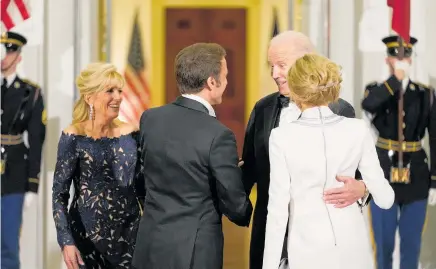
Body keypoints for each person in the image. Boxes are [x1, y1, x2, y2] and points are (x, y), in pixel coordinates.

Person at [241, 30, 370, 269]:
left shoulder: (342, 111)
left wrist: (362, 189)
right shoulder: (263, 109)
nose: (274, 74)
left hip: (323, 243)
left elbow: (363, 178)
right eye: (271, 66)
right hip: (270, 238)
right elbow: (248, 168)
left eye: (281, 65)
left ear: (305, 63)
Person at [262, 53, 395, 269]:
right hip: (354, 247)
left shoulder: (281, 137)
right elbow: (386, 199)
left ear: (295, 92)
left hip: (307, 250)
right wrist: (364, 187)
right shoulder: (358, 129)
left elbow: (278, 212)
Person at [132, 43, 253, 269]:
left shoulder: (150, 119)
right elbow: (237, 208)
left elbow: (140, 179)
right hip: (195, 253)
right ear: (211, 82)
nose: (227, 82)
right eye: (225, 76)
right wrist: (240, 176)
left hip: (150, 244)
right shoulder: (219, 135)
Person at [51, 62, 145, 269]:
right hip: (85, 240)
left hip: (130, 238)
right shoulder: (73, 136)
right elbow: (59, 194)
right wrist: (66, 241)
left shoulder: (132, 133)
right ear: (89, 97)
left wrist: (154, 232)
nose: (118, 97)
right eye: (110, 91)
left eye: (120, 90)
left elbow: (142, 189)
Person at [361, 35, 436, 269]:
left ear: (411, 60)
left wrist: (434, 180)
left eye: (405, 56)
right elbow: (368, 105)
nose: (401, 60)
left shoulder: (426, 93)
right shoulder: (377, 90)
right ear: (387, 60)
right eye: (395, 56)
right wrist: (395, 81)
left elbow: (433, 137)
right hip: (383, 172)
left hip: (416, 174)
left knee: (411, 245)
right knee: (383, 245)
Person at [1, 31, 46, 269]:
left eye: (10, 51)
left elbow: (37, 140)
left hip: (14, 174)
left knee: (8, 243)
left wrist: (32, 184)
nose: (4, 57)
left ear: (18, 56)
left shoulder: (31, 93)